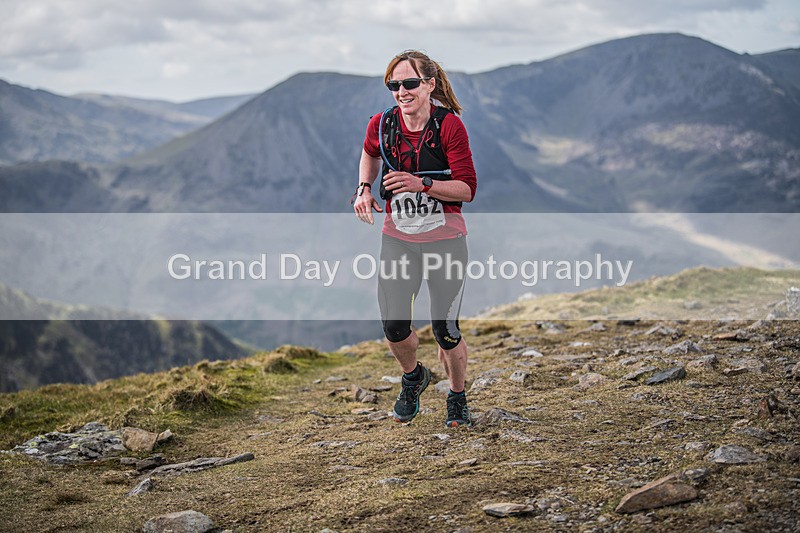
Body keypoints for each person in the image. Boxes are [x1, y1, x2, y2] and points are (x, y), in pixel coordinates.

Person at [353, 50, 477, 427]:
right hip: (399, 238)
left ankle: (457, 397)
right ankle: (414, 377)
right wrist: (363, 188)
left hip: (445, 240)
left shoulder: (448, 126)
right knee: (393, 325)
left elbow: (467, 189)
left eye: (409, 83)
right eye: (394, 85)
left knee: (446, 329)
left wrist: (421, 183)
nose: (401, 92)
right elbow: (369, 152)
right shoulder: (382, 124)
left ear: (429, 85)